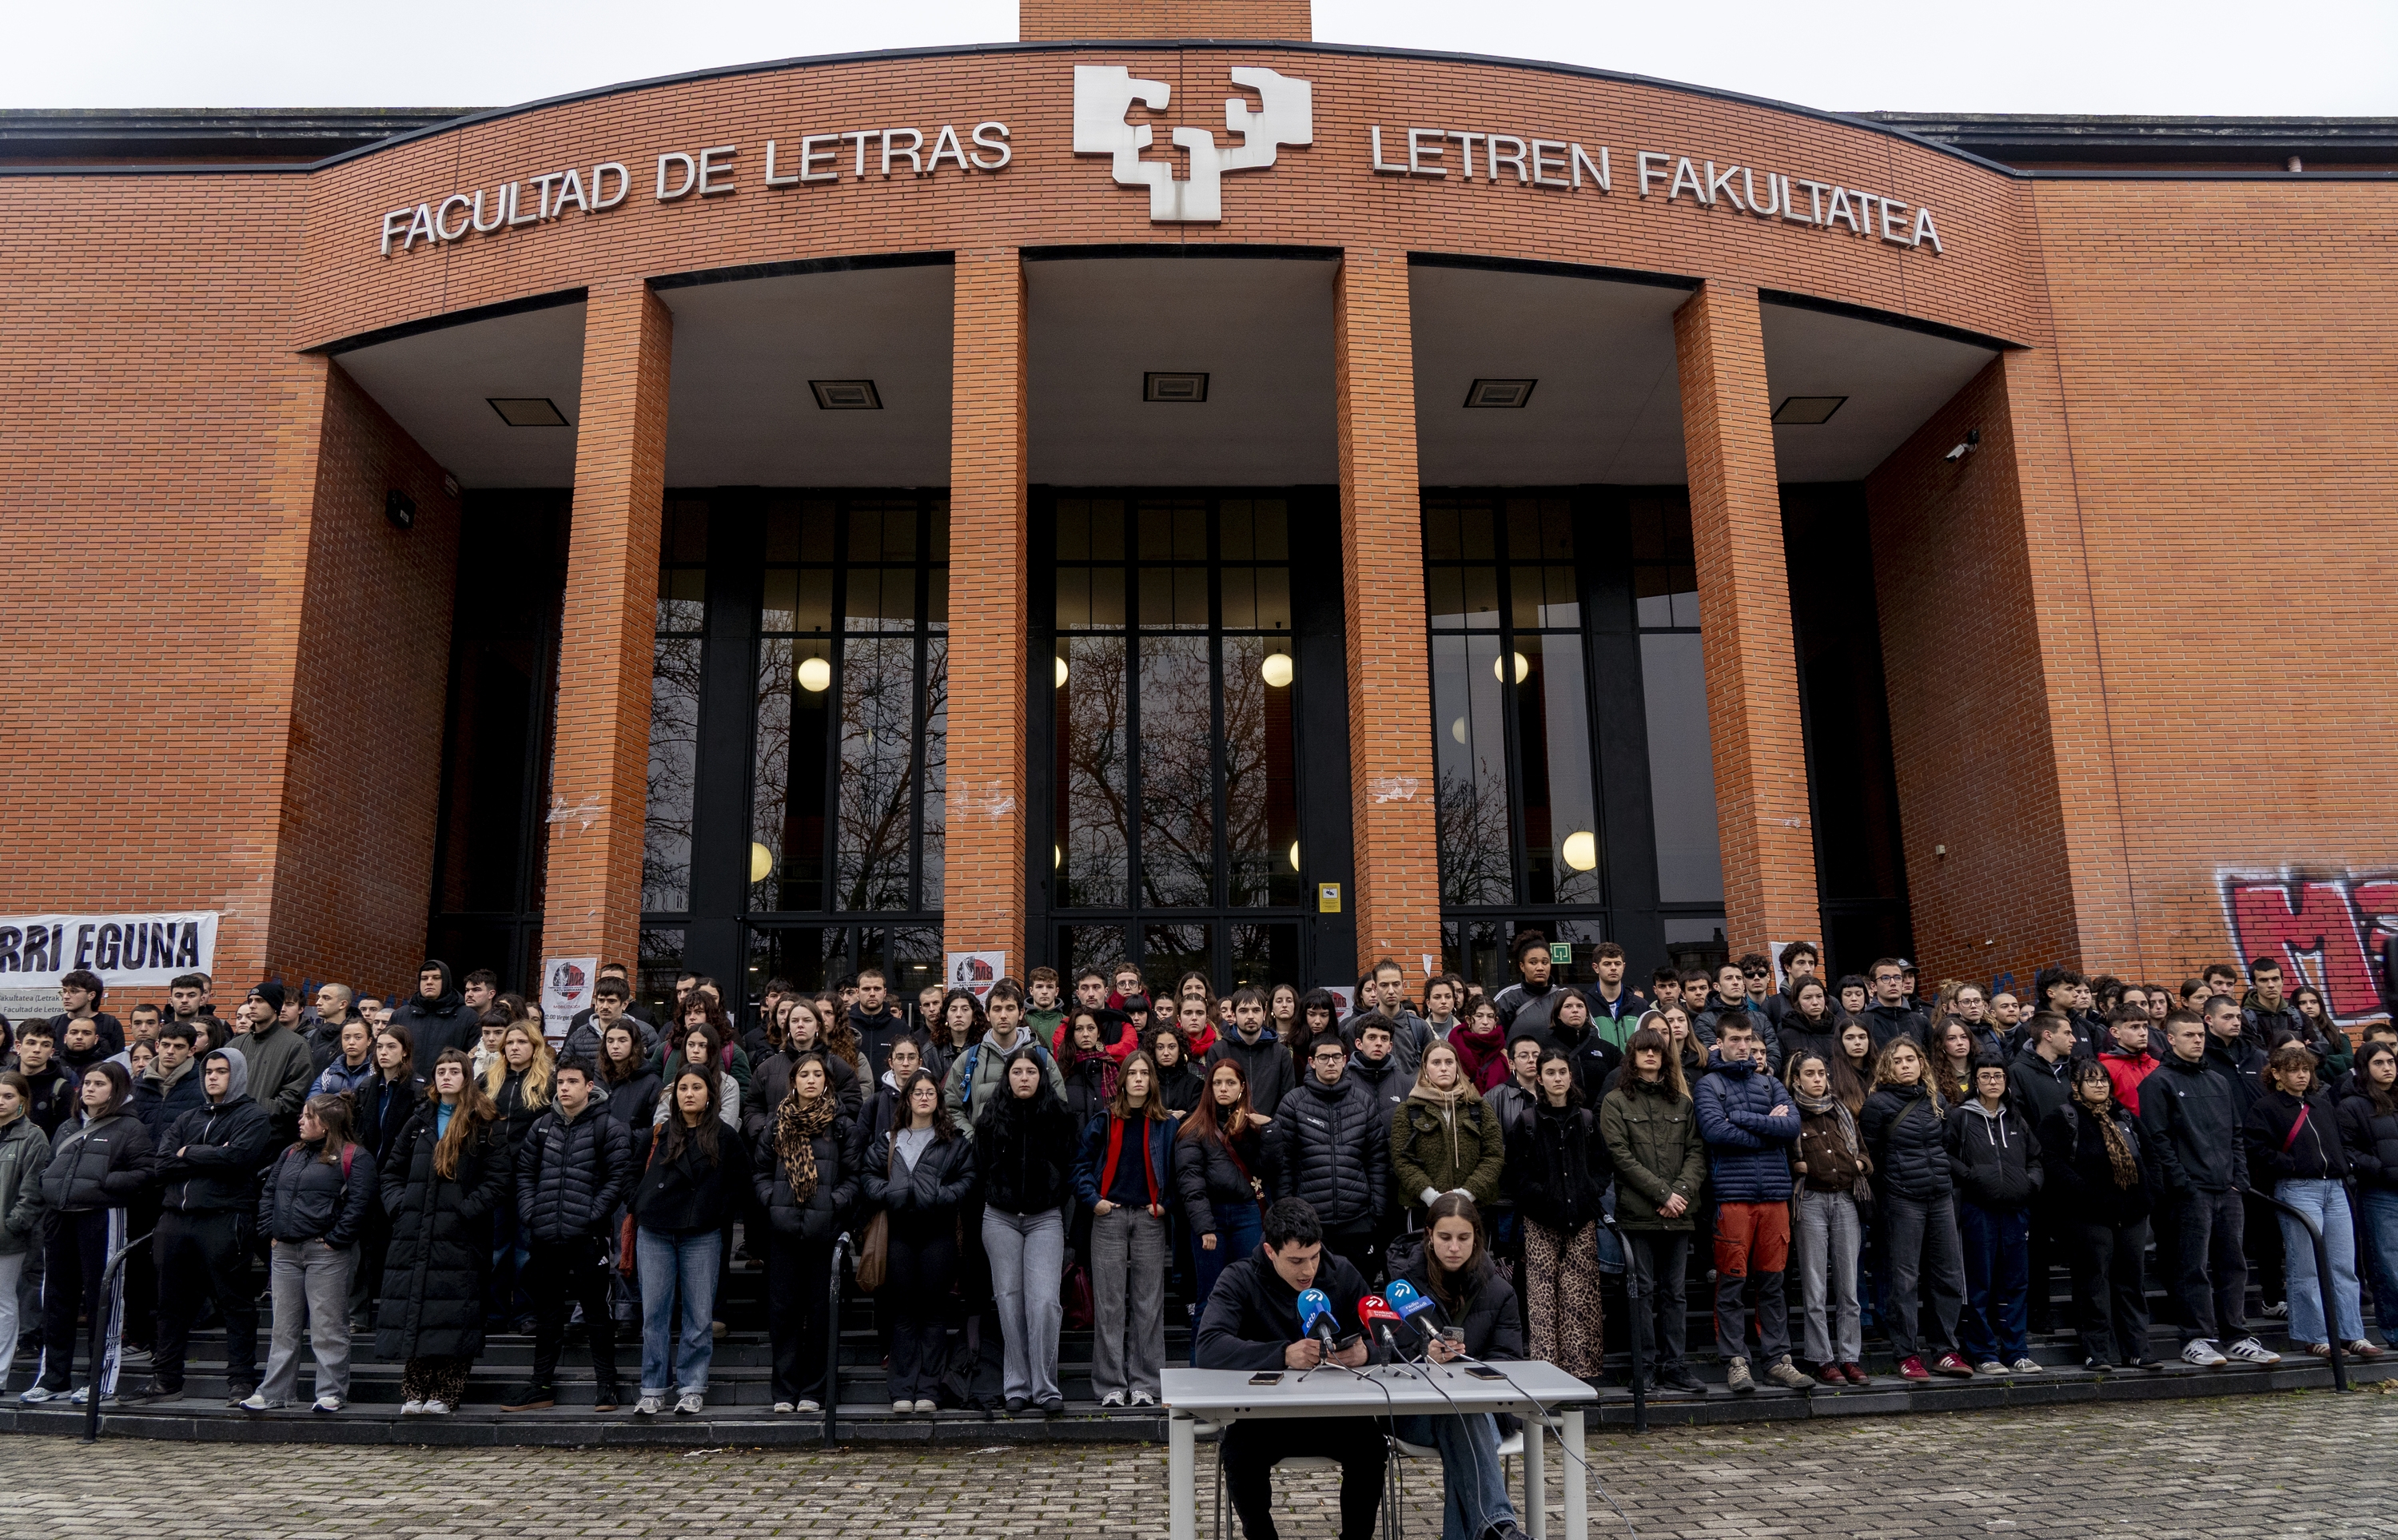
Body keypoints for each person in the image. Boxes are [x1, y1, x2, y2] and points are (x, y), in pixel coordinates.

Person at [1192, 1197, 1386, 1540]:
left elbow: (1391, 1338)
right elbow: (1208, 1346)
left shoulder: (1342, 1273)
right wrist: (1282, 1355)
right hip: (1266, 1417)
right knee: (1238, 1453)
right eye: (1296, 1261)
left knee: (1372, 1448)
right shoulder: (1239, 1278)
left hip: (1336, 1413)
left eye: (1314, 1256)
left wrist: (1366, 1353)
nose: (1308, 1270)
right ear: (1269, 1251)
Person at [124, 1047, 273, 1407]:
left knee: (235, 1303)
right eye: (208, 1072)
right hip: (175, 1220)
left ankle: (240, 1382)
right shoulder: (189, 1115)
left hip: (224, 1219)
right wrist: (205, 1154)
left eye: (221, 1071)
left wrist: (186, 1153)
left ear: (235, 1074)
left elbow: (237, 1158)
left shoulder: (253, 1115)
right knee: (169, 1305)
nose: (212, 1077)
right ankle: (167, 1380)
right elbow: (161, 1164)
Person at [1379, 1195, 1531, 1540]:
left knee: (1461, 1418)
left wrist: (1463, 1368)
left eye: (1463, 1238)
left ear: (1477, 1237)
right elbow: (1382, 1358)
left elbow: (1508, 1362)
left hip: (1482, 1414)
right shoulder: (1400, 1290)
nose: (1454, 1247)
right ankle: (1498, 1526)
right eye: (1445, 1238)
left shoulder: (1501, 1292)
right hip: (1415, 1414)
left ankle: (1496, 1530)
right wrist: (1424, 1353)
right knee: (1460, 1419)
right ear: (1429, 1235)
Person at [2137, 1009, 2279, 1368]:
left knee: (2233, 1265)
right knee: (2192, 1267)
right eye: (2188, 1035)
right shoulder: (2158, 1082)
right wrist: (2182, 1183)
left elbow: (2235, 1133)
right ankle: (2196, 1338)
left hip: (2227, 1189)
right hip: (2189, 1193)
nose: (2197, 1040)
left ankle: (2236, 1334)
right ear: (2170, 1039)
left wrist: (2239, 1180)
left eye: (2200, 1034)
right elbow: (2158, 1140)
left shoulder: (2218, 1081)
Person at [377, 1049, 513, 1415]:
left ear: (468, 1076)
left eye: (455, 1070)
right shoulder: (419, 1118)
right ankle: (415, 1391)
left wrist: (463, 1212)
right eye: (441, 1070)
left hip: (461, 1237)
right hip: (415, 1233)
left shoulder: (485, 1120)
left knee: (455, 1313)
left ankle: (445, 1393)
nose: (447, 1076)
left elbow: (498, 1180)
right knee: (418, 1312)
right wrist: (401, 1206)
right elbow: (390, 1171)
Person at [504, 1057, 633, 1412]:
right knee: (547, 1316)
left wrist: (591, 1216)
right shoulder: (543, 1126)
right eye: (560, 1082)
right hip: (546, 1236)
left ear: (589, 1086)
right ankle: (540, 1386)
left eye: (572, 1082)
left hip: (587, 1239)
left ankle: (606, 1386)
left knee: (596, 1314)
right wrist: (532, 1213)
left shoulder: (609, 1127)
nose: (564, 1088)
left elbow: (617, 1178)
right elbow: (525, 1174)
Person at [22, 1062, 155, 1404]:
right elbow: (51, 1169)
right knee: (56, 1300)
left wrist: (103, 1185)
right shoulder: (68, 1127)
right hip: (60, 1219)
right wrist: (48, 1188)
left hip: (102, 1218)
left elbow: (145, 1173)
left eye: (99, 1083)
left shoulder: (130, 1128)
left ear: (117, 1090)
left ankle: (99, 1381)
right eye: (86, 1083)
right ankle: (54, 1380)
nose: (89, 1089)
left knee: (103, 1299)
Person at [1690, 1014, 1809, 1391]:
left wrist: (1741, 1118)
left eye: (1748, 1040)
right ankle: (1736, 1362)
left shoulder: (1771, 1082)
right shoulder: (1709, 1084)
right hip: (1732, 1198)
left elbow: (1791, 1127)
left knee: (1773, 1283)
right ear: (1720, 1043)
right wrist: (1764, 1126)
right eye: (1736, 1040)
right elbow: (1715, 1131)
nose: (1743, 1047)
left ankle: (1777, 1360)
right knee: (1731, 1284)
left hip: (1775, 1197)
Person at [2245, 1041, 2379, 1362]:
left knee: (2344, 1266)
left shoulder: (2321, 1105)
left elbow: (2338, 1142)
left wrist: (2343, 1166)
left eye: (2305, 1069)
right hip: (2298, 1188)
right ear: (2276, 1074)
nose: (2301, 1076)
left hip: (2334, 1187)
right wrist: (2288, 1165)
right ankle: (2315, 1336)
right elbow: (2256, 1148)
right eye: (2293, 1070)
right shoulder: (2266, 1108)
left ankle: (2351, 1333)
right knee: (2305, 1267)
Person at [631, 1064, 751, 1415]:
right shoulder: (659, 1133)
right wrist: (637, 1204)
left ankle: (692, 1386)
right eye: (683, 1088)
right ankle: (653, 1388)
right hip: (654, 1231)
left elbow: (742, 1184)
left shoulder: (725, 1136)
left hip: (701, 1233)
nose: (689, 1094)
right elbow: (631, 1173)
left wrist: (714, 1210)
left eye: (696, 1087)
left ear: (709, 1094)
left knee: (699, 1314)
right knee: (654, 1314)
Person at [248, 1092, 376, 1411]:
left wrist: (335, 1239)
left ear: (327, 1123)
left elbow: (360, 1203)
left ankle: (331, 1392)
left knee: (328, 1326)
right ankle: (275, 1392)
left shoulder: (354, 1156)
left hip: (325, 1253)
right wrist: (270, 1232)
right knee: (283, 1328)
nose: (301, 1121)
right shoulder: (291, 1152)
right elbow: (269, 1192)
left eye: (308, 1116)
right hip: (285, 1252)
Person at [1599, 1025, 1707, 1393]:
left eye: (1656, 1051)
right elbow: (1620, 1157)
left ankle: (1674, 1364)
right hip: (1638, 1213)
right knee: (1641, 1291)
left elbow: (1696, 1153)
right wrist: (1663, 1194)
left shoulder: (1682, 1102)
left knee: (1674, 1293)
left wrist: (1679, 1193)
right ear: (1632, 1056)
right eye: (1643, 1051)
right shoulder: (1616, 1102)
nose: (1650, 1056)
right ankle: (1644, 1367)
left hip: (1679, 1213)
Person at [1859, 1037, 1973, 1379]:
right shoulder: (1877, 1105)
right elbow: (1872, 1157)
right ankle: (1906, 1353)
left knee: (1948, 1276)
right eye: (1898, 1061)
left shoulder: (1936, 1100)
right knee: (1903, 1281)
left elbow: (1945, 1144)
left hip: (1939, 1197)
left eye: (1912, 1059)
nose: (1906, 1065)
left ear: (1922, 1063)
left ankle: (1945, 1351)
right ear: (1887, 1067)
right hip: (1901, 1200)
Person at [862, 1068, 974, 1415]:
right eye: (918, 1093)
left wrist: (942, 1195)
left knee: (934, 1313)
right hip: (899, 1235)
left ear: (938, 1100)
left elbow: (969, 1179)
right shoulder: (889, 1139)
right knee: (903, 1313)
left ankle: (929, 1389)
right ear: (907, 1099)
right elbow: (867, 1175)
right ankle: (901, 1391)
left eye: (930, 1093)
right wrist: (891, 1193)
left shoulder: (953, 1141)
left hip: (938, 1234)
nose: (924, 1097)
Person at [1075, 1049, 1180, 1407]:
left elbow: (1180, 1171)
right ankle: (1110, 1386)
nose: (1138, 1078)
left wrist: (1167, 1204)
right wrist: (1094, 1200)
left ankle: (1145, 1384)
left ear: (1152, 1081)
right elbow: (1081, 1166)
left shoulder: (1167, 1125)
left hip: (1150, 1218)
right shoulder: (1104, 1121)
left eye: (1144, 1073)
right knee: (1109, 1303)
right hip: (1110, 1215)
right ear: (1121, 1081)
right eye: (1132, 1073)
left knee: (1149, 1303)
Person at [2040, 1058, 2160, 1371]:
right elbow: (2053, 1163)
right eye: (2090, 1080)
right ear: (2076, 1086)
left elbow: (2150, 1156)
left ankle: (2137, 1349)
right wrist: (2086, 1193)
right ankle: (2098, 1351)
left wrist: (2149, 1194)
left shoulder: (2124, 1116)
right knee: (2094, 1282)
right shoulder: (2063, 1118)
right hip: (2088, 1214)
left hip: (2132, 1212)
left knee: (2131, 1282)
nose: (2099, 1085)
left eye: (2103, 1080)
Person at [975, 1045, 1075, 1415]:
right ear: (1007, 1077)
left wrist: (1050, 1190)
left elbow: (1069, 1167)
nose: (1024, 1078)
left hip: (1044, 1218)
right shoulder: (990, 1118)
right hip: (999, 1218)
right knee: (1009, 1301)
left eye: (1031, 1072)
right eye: (1017, 1072)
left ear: (1042, 1076)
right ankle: (1016, 1385)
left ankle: (1046, 1387)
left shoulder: (1060, 1117)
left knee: (1045, 1303)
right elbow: (981, 1164)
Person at [756, 1050, 856, 1415]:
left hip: (823, 1231)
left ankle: (814, 1391)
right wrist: (772, 1199)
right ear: (793, 1081)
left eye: (818, 1074)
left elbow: (853, 1175)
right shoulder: (777, 1124)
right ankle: (784, 1391)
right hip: (783, 1231)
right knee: (782, 1314)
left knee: (820, 1315)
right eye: (805, 1075)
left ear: (827, 1081)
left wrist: (834, 1202)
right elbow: (760, 1172)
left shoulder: (841, 1123)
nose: (811, 1080)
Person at [1501, 1047, 1608, 1381]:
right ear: (1540, 1078)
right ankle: (1547, 1373)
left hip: (1581, 1220)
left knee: (1580, 1300)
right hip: (1540, 1222)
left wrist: (1589, 1191)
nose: (1557, 1078)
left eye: (1562, 1072)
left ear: (1570, 1075)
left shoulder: (1587, 1118)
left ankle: (1581, 1372)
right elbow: (1515, 1174)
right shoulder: (1528, 1121)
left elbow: (1603, 1167)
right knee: (1542, 1300)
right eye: (1550, 1073)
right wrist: (1542, 1197)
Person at [1945, 1052, 2043, 1376]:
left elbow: (2036, 1159)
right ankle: (1984, 1352)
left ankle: (2017, 1351)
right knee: (1980, 1284)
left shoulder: (2016, 1118)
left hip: (2016, 1210)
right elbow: (1946, 1156)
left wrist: (2031, 1184)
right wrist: (1972, 1178)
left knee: (2017, 1283)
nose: (1992, 1081)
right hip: (1978, 1209)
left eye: (1998, 1076)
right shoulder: (1960, 1116)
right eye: (1985, 1076)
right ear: (1976, 1081)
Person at [1269, 1032, 1390, 1282]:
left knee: (1358, 1291)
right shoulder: (1293, 1103)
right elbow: (1284, 1164)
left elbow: (1377, 1159)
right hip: (1310, 1221)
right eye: (1324, 1057)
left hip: (1357, 1219)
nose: (1331, 1063)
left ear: (1346, 1060)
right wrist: (1289, 1213)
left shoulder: (1363, 1102)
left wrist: (1376, 1210)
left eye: (1336, 1056)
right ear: (1311, 1062)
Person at [1786, 1050, 1870, 1384]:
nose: (1818, 1079)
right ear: (1797, 1079)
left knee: (1849, 1287)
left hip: (1847, 1200)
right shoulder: (1789, 1114)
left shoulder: (1842, 1112)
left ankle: (1850, 1357)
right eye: (1810, 1073)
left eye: (1822, 1073)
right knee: (1815, 1287)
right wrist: (1797, 1167)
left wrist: (1858, 1166)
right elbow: (1788, 1160)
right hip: (1810, 1202)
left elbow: (1864, 1156)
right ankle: (1823, 1358)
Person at [1178, 1056, 1275, 1316]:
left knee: (1251, 1295)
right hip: (1212, 1218)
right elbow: (1190, 1181)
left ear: (1242, 1087)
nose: (1223, 1088)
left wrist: (1269, 1133)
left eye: (1230, 1082)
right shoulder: (1194, 1128)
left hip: (1248, 1214)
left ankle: (1244, 1355)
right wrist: (1204, 1225)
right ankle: (1203, 1358)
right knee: (1209, 1300)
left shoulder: (1256, 1126)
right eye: (1217, 1083)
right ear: (1208, 1088)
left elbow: (1268, 1170)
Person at [1392, 1040, 1504, 1218]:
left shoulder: (1479, 1107)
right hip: (1424, 1209)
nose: (1444, 1068)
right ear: (1425, 1068)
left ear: (1457, 1067)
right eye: (1436, 1063)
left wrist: (1467, 1194)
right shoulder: (1408, 1111)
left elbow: (1494, 1155)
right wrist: (1432, 1197)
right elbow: (1401, 1160)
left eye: (1449, 1062)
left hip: (1475, 1208)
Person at [2337, 1041, 2398, 1343]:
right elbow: (2347, 1150)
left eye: (2390, 1061)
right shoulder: (2352, 1104)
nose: (2387, 1068)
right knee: (2388, 1268)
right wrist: (2380, 1168)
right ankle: (2394, 1331)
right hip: (2379, 1195)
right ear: (2365, 1068)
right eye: (2379, 1063)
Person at [0, 1074, 49, 1383]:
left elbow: (32, 1193)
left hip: (8, 1239)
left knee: (3, 1303)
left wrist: (11, 1226)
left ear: (22, 1100)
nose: (0, 1101)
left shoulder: (33, 1137)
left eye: (7, 1096)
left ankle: (0, 1373)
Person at [1209, 985, 1297, 1116]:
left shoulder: (1281, 1053)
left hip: (1270, 1131)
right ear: (1233, 1014)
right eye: (1243, 1011)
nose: (1250, 1016)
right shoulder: (1218, 1051)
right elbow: (1211, 1097)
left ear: (1264, 1013)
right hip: (1229, 1131)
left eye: (1256, 1010)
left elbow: (1287, 1100)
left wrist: (1271, 1126)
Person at [392, 961, 480, 1069]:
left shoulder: (468, 1017)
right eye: (424, 978)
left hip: (447, 1084)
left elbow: (475, 1059)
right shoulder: (400, 1015)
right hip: (405, 1084)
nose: (429, 982)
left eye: (436, 978)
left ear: (446, 981)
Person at [1862, 958, 1928, 1049]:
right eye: (1885, 978)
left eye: (1897, 978)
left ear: (1902, 983)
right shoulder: (1864, 1022)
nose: (1893, 983)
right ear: (1873, 986)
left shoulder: (1920, 1022)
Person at [1448, 997, 1510, 1093]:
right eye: (1479, 1016)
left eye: (1490, 1016)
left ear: (1495, 1020)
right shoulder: (1456, 1044)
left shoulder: (1503, 1051)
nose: (1485, 1022)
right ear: (1468, 1020)